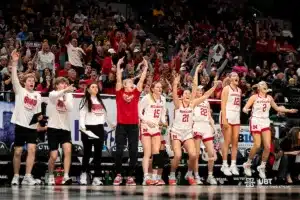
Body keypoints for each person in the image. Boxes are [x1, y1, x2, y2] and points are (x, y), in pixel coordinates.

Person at [168, 73, 221, 185]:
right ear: (182, 96)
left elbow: (205, 95)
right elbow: (174, 94)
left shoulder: (192, 104)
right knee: (178, 155)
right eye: (185, 93)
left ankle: (190, 173)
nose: (187, 94)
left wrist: (214, 87)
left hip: (187, 133)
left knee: (193, 154)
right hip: (177, 132)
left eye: (189, 93)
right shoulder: (178, 104)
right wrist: (175, 84)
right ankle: (172, 174)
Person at [242, 81, 298, 179]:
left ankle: (262, 167)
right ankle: (248, 163)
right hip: (255, 120)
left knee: (268, 146)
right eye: (263, 85)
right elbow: (245, 108)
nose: (265, 86)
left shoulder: (269, 98)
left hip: (265, 121)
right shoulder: (254, 97)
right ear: (259, 88)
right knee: (257, 144)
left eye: (265, 85)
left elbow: (277, 108)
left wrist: (289, 110)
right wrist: (245, 110)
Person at [113, 57, 148, 186]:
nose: (132, 83)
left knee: (134, 151)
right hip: (121, 126)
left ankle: (130, 176)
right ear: (124, 85)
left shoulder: (137, 93)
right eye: (128, 82)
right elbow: (118, 78)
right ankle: (118, 174)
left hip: (133, 126)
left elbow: (142, 80)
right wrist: (118, 65)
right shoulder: (119, 92)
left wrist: (146, 67)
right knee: (119, 151)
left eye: (132, 82)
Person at [10, 50, 42, 185]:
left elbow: (38, 113)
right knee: (17, 151)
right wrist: (15, 62)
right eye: (29, 80)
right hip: (20, 125)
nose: (31, 82)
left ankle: (28, 176)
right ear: (24, 82)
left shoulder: (38, 95)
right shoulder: (20, 91)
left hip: (32, 127)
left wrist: (39, 121)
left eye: (33, 81)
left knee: (32, 149)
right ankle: (16, 176)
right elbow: (14, 78)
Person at [79, 82, 114, 185]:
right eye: (92, 87)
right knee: (87, 153)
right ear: (88, 89)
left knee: (98, 154)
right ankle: (84, 174)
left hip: (99, 128)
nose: (95, 88)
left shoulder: (100, 100)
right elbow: (81, 116)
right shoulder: (85, 100)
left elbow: (104, 115)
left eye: (96, 87)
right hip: (88, 128)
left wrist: (111, 123)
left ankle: (97, 177)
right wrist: (83, 129)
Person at [46, 77, 75, 185]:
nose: (64, 85)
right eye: (62, 83)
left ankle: (66, 176)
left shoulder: (69, 95)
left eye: (65, 83)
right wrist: (64, 92)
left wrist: (65, 97)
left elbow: (70, 108)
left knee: (67, 150)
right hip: (53, 127)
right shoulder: (52, 94)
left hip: (65, 128)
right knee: (54, 156)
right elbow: (54, 96)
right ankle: (50, 174)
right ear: (57, 85)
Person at [191, 64, 217, 185]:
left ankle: (210, 176)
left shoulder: (206, 101)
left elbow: (209, 116)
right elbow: (195, 84)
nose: (199, 92)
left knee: (211, 153)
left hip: (206, 126)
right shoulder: (192, 100)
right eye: (197, 90)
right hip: (196, 125)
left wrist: (214, 126)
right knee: (196, 154)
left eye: (201, 90)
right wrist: (196, 71)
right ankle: (196, 175)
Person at [139, 81, 167, 185]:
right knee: (147, 152)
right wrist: (146, 121)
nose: (160, 89)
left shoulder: (163, 99)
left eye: (161, 87)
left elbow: (163, 114)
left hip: (156, 127)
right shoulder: (146, 98)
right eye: (157, 87)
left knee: (156, 152)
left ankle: (155, 177)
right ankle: (146, 177)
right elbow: (139, 112)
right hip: (146, 126)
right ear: (152, 89)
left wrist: (164, 123)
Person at [220, 72, 241, 176]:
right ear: (230, 78)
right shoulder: (226, 89)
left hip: (236, 116)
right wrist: (224, 119)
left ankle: (233, 164)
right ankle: (224, 165)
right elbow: (222, 104)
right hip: (227, 115)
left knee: (235, 141)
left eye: (237, 76)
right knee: (227, 141)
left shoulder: (240, 90)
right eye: (234, 76)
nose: (236, 77)